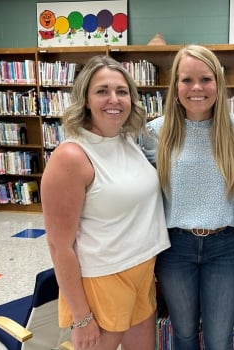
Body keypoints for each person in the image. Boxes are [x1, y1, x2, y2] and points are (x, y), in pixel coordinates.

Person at [41, 55, 170, 350]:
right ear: (85, 98)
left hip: (142, 269)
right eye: (102, 91)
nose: (114, 99)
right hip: (103, 277)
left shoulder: (127, 141)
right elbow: (59, 246)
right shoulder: (71, 156)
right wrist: (81, 317)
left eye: (121, 91)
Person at [141, 44, 234, 350]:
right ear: (175, 85)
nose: (196, 88)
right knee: (184, 333)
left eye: (205, 79)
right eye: (187, 80)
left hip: (225, 246)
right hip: (174, 247)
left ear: (218, 83)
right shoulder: (155, 132)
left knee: (220, 339)